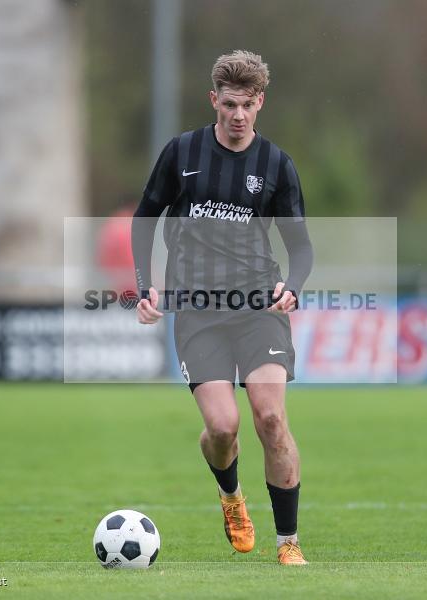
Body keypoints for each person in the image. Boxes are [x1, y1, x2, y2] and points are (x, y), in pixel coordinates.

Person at [131, 50, 313, 565]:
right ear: (214, 100)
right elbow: (144, 220)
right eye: (228, 104)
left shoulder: (276, 165)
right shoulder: (181, 152)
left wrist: (293, 286)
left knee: (271, 419)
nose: (237, 115)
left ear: (260, 104)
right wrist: (146, 287)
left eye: (247, 105)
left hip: (259, 306)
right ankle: (231, 496)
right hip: (197, 310)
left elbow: (300, 247)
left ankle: (288, 544)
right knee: (223, 428)